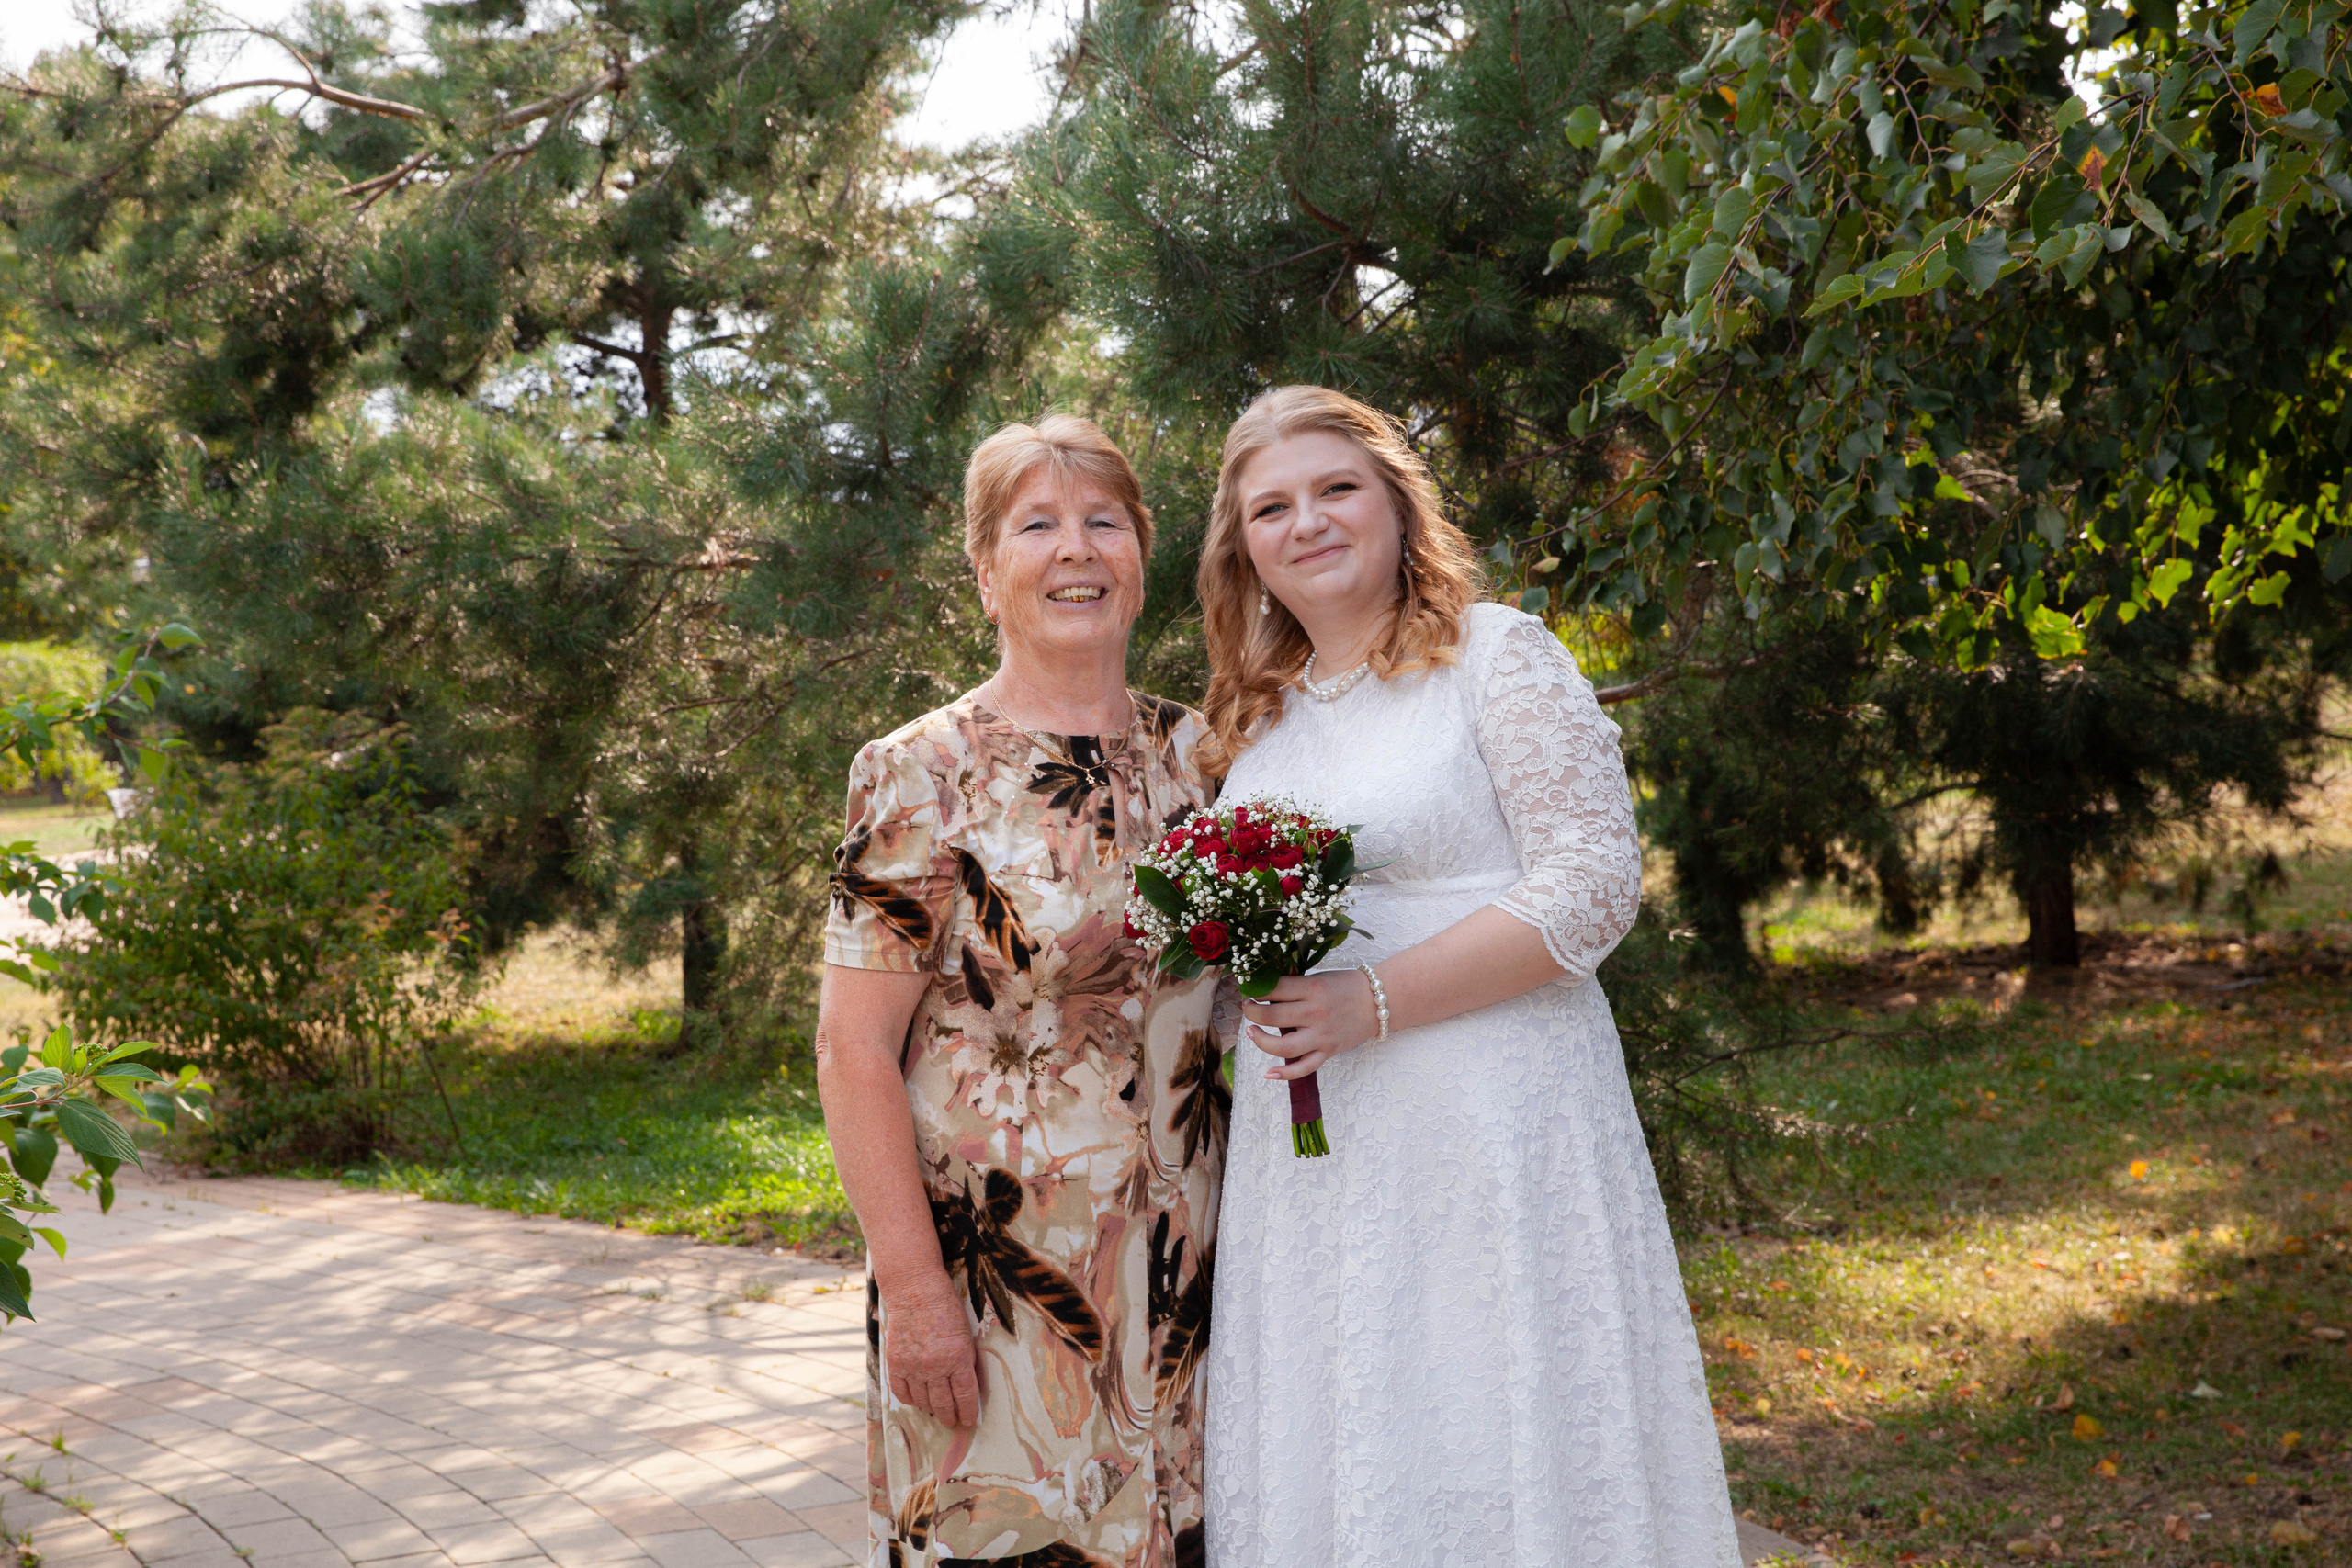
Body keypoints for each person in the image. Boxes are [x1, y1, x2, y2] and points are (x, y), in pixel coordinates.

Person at [1195, 386, 1742, 1567]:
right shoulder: (1254, 724)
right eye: (1271, 508)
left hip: (1495, 1132)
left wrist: (1369, 1002)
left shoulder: (1494, 655)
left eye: (1336, 489)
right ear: (1242, 548)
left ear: (1398, 503)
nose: (1307, 522)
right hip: (1320, 1165)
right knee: (1356, 1431)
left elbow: (1591, 887)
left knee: (1497, 1420)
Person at [816, 416, 1225, 1568]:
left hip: (1189, 1281)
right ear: (986, 571)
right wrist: (916, 1294)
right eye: (1037, 525)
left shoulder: (1203, 759)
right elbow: (851, 1052)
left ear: (1142, 552)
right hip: (1002, 1291)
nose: (1075, 549)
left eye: (1103, 522)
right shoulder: (919, 770)